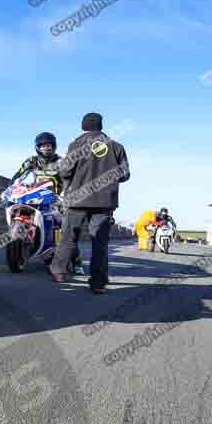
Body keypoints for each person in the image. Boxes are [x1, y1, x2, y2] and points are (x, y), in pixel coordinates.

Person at [48, 112, 130, 294]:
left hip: (77, 198)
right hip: (104, 201)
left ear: (83, 126)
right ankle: (98, 284)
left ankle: (59, 272)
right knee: (100, 243)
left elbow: (65, 171)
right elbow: (124, 174)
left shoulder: (76, 145)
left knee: (69, 236)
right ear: (100, 126)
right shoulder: (116, 146)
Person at [12, 132, 85, 275]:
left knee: (66, 227)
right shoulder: (31, 161)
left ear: (54, 147)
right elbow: (18, 175)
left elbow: (71, 177)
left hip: (55, 198)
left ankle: (76, 261)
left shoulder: (61, 162)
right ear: (38, 147)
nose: (47, 148)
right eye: (43, 146)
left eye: (49, 145)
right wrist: (13, 186)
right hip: (33, 196)